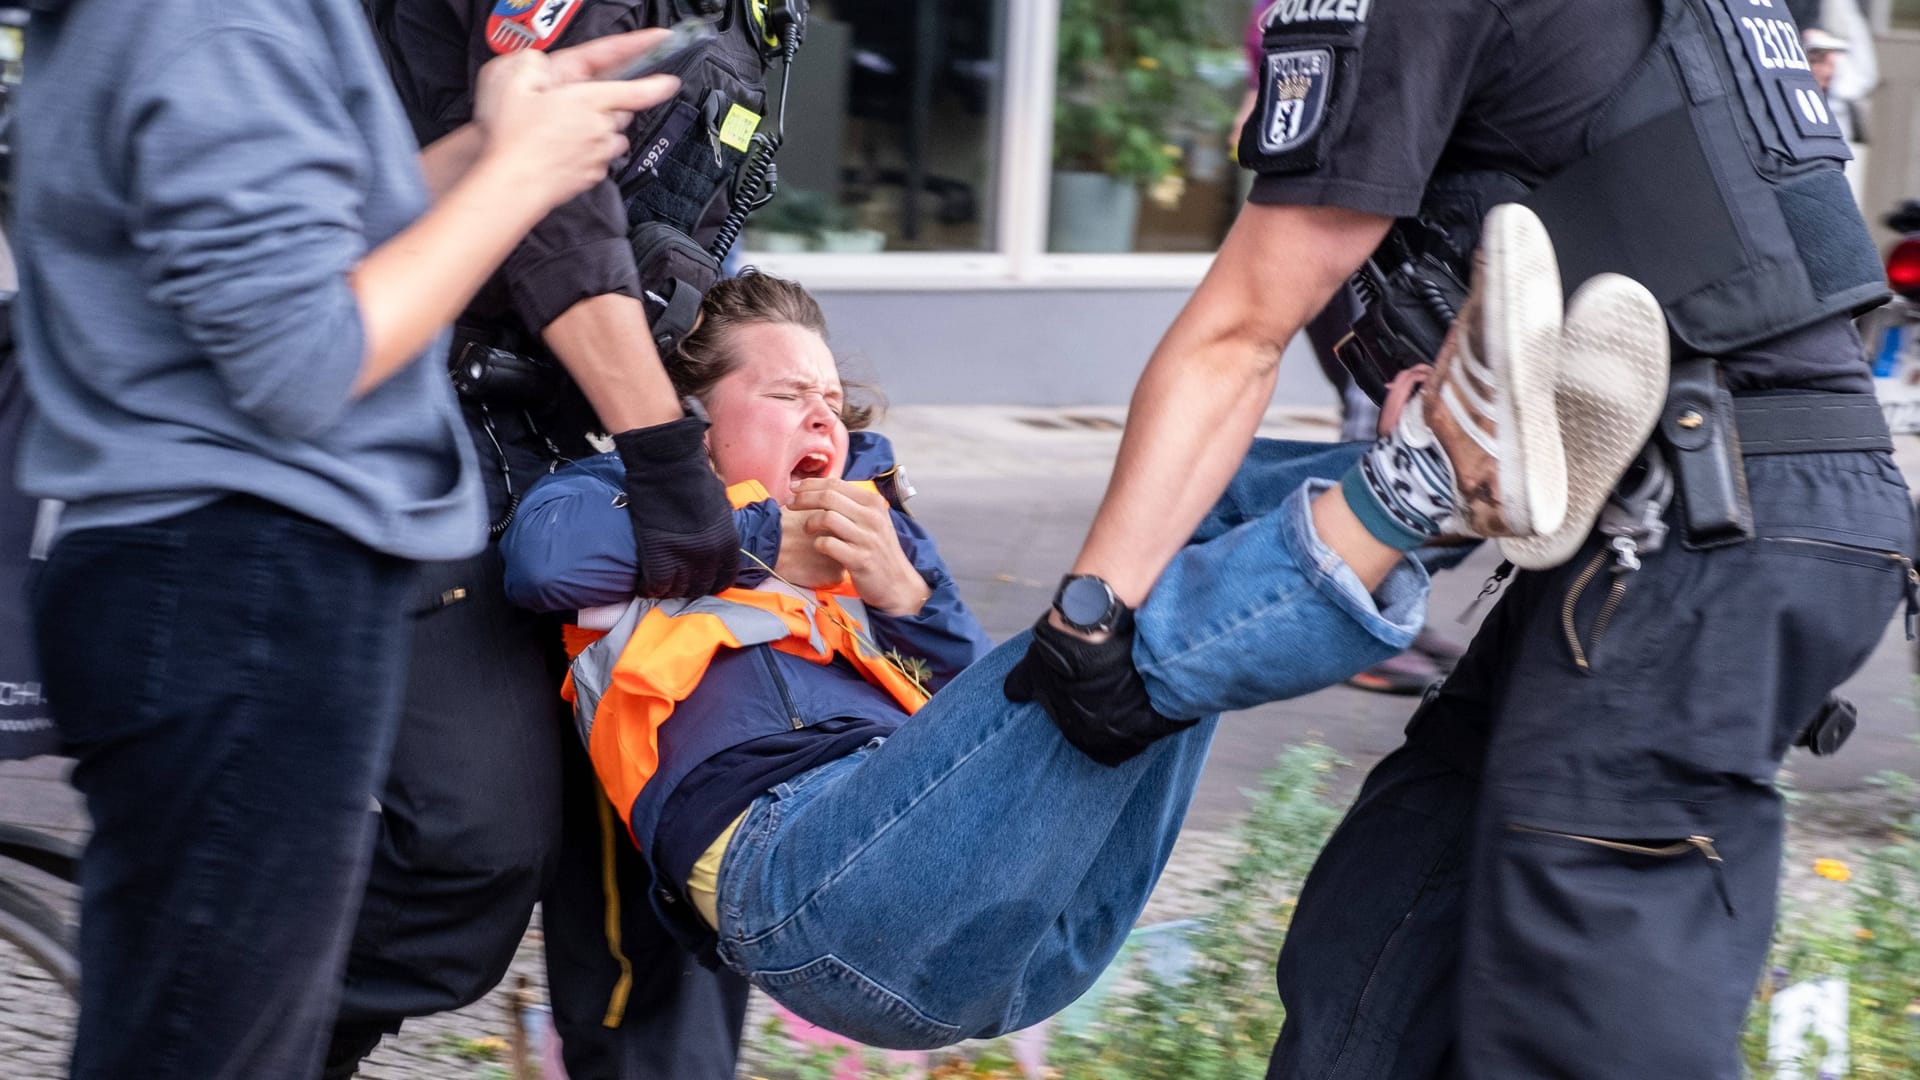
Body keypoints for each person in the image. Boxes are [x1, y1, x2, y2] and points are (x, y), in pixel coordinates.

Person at [1010, 2, 1914, 1077]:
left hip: (1703, 517)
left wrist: (1092, 615)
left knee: (1579, 1021)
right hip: (1698, 507)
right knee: (1380, 943)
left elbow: (1242, 328)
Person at [499, 256, 1671, 1048]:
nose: (824, 419)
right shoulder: (612, 496)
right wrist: (759, 540)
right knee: (1112, 654)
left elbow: (978, 716)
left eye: (834, 400)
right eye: (786, 393)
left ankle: (1463, 491)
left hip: (1024, 925)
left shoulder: (874, 529)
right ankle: (1426, 476)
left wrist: (901, 586)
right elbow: (542, 562)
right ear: (687, 414)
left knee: (1147, 578)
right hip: (808, 897)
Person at [13, 1, 677, 1077]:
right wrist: (519, 173)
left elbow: (302, 249)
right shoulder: (214, 23)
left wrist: (486, 142)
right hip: (239, 582)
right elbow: (305, 362)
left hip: (212, 574)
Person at [324, 2, 789, 1076]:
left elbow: (684, 209)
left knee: (688, 837)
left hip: (574, 426)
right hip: (412, 414)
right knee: (467, 849)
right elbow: (548, 185)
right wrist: (662, 449)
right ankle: (225, 1022)